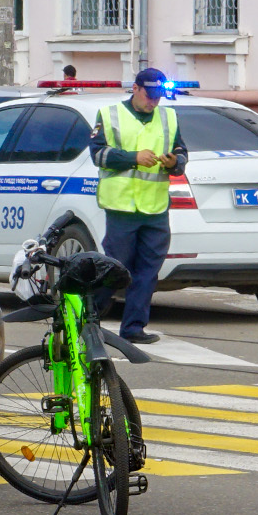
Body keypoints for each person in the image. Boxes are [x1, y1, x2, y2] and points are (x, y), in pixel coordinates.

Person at [89, 68, 187, 344]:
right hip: (122, 207)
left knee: (147, 272)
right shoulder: (109, 115)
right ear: (135, 88)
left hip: (155, 208)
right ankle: (89, 319)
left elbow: (181, 151)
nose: (154, 102)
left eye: (158, 97)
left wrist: (174, 163)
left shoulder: (169, 116)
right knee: (115, 269)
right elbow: (98, 154)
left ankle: (133, 328)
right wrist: (133, 157)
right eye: (149, 96)